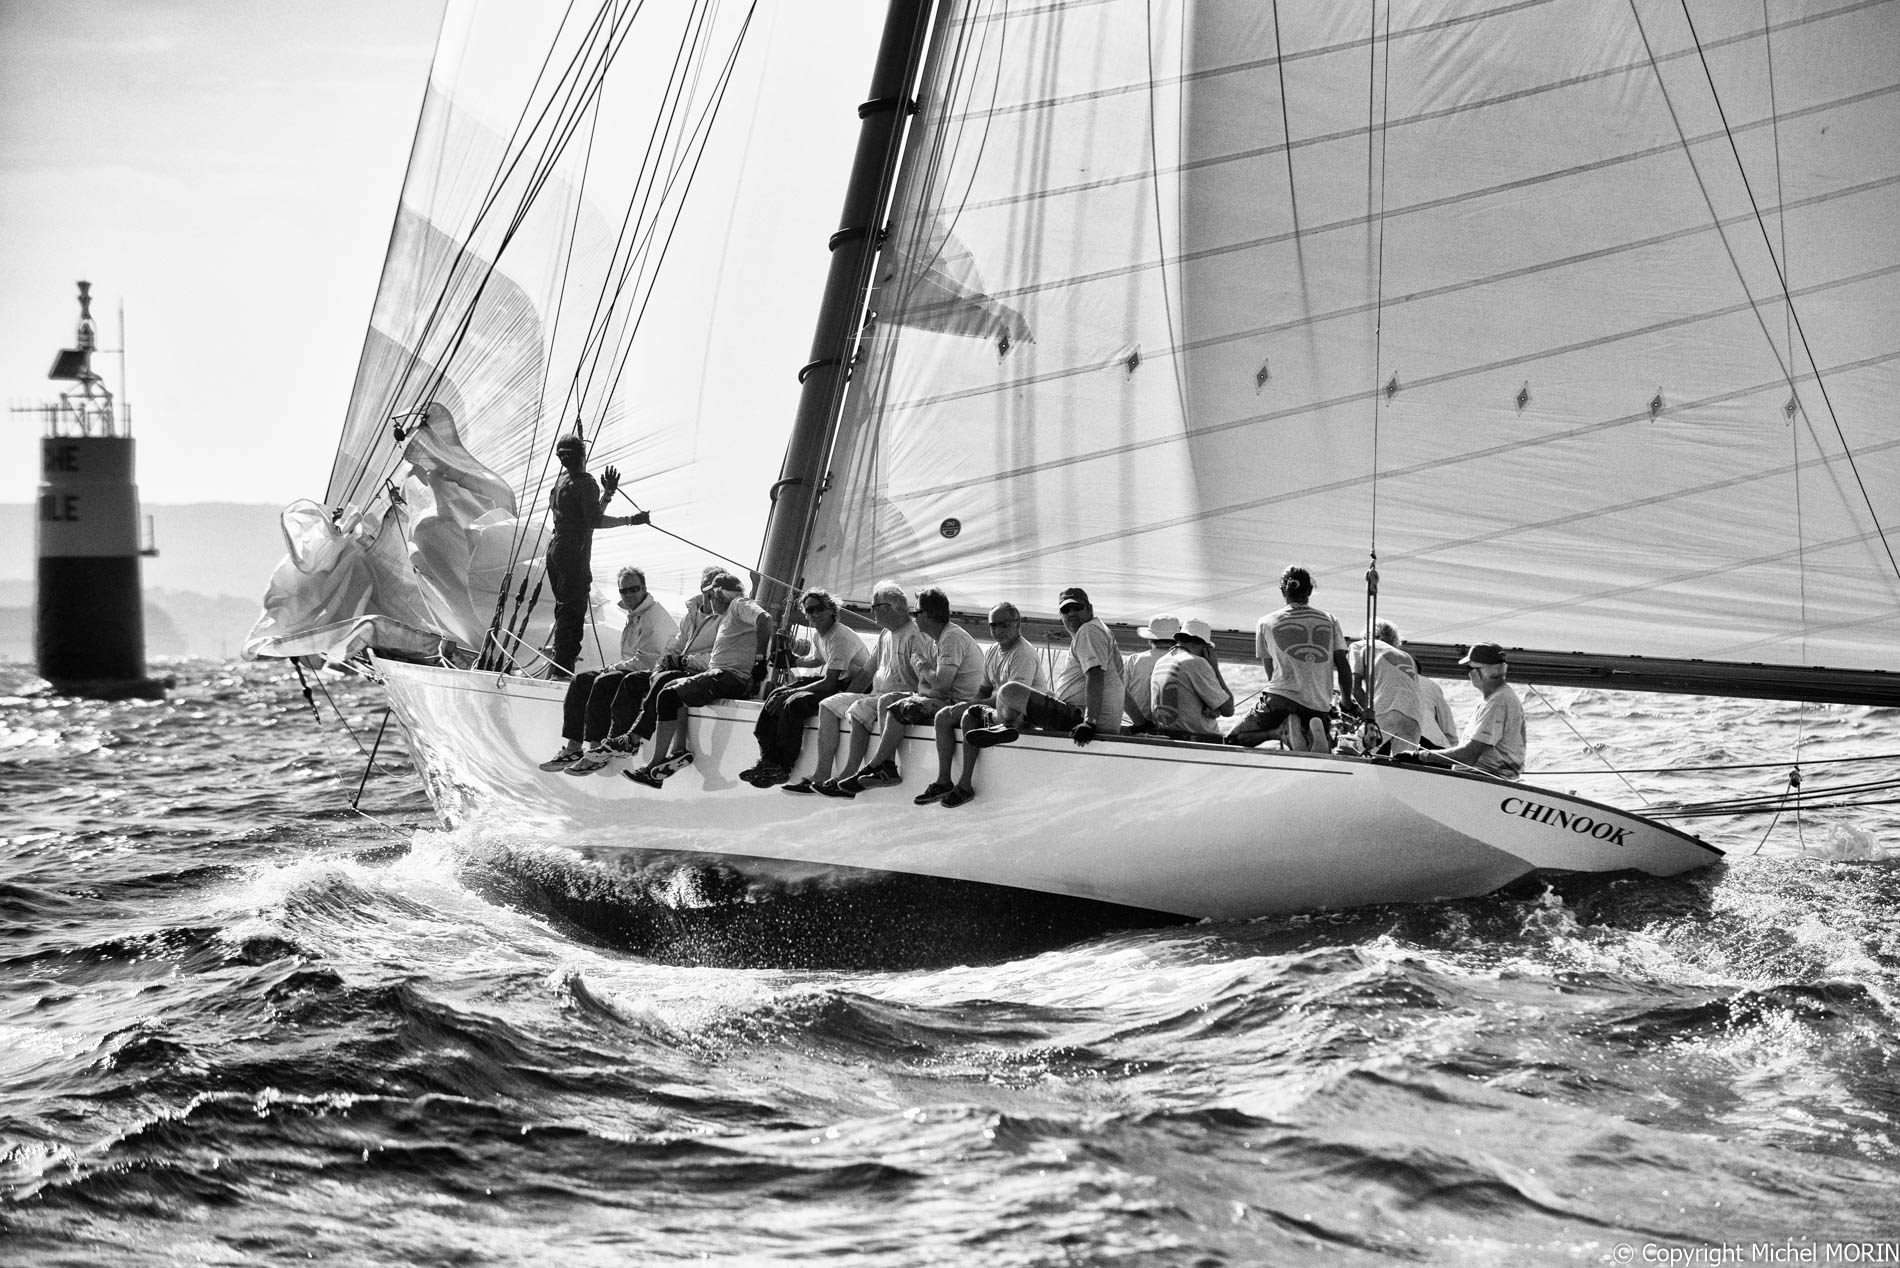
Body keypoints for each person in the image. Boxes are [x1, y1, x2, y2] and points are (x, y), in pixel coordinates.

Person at [782, 580, 930, 797]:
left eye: (874, 607)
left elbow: (923, 678)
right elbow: (867, 672)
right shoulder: (885, 634)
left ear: (889, 608)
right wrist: (845, 695)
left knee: (859, 707)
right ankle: (821, 774)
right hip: (877, 694)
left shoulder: (915, 634)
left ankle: (847, 776)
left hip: (900, 697)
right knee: (828, 704)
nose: (872, 613)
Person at [625, 573, 774, 787]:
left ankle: (653, 766)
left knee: (668, 695)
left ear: (720, 595)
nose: (708, 601)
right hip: (722, 676)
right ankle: (678, 750)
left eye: (711, 596)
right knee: (670, 687)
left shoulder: (738, 604)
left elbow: (765, 618)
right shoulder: (729, 614)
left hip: (728, 677)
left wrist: (760, 660)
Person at [838, 587, 984, 793]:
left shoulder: (951, 638)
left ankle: (873, 765)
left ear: (925, 615)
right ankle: (887, 768)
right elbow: (925, 686)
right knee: (886, 700)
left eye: (915, 614)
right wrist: (930, 685)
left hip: (957, 702)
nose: (913, 619)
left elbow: (940, 684)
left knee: (900, 710)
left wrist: (925, 670)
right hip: (941, 697)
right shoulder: (936, 640)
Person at [537, 565, 679, 773]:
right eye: (624, 590)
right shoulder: (637, 613)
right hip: (634, 668)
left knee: (603, 682)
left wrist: (610, 669)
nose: (629, 594)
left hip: (650, 673)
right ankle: (574, 747)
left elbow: (647, 661)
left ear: (644, 588)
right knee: (580, 680)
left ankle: (596, 749)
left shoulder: (652, 617)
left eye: (634, 589)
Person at [914, 602, 1049, 808]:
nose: (998, 630)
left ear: (1017, 624)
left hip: (1019, 714)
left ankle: (965, 784)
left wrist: (970, 707)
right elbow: (984, 691)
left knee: (970, 716)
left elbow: (1011, 697)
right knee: (943, 716)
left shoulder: (1023, 654)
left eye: (1004, 625)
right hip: (996, 710)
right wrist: (966, 704)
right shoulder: (993, 650)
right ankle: (943, 781)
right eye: (993, 626)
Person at [739, 589, 871, 788]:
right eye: (809, 610)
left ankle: (784, 766)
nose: (814, 614)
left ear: (831, 610)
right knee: (776, 694)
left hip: (850, 688)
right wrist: (792, 661)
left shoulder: (839, 636)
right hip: (836, 681)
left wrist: (791, 693)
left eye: (819, 609)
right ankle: (768, 758)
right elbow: (817, 659)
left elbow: (829, 682)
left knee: (794, 703)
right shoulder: (821, 634)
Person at [591, 564, 723, 758]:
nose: (708, 596)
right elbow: (675, 644)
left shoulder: (725, 619)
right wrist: (665, 662)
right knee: (631, 681)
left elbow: (717, 658)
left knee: (665, 684)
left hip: (700, 672)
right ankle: (608, 741)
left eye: (634, 589)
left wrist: (684, 661)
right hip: (678, 667)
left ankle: (639, 742)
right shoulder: (692, 614)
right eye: (705, 590)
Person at [1225, 565, 1362, 752]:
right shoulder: (1330, 620)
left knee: (1233, 739)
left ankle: (1279, 732)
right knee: (1319, 741)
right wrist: (1346, 702)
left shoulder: (1265, 622)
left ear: (1282, 591)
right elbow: (1343, 667)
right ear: (1310, 590)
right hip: (1317, 705)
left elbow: (1270, 674)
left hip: (1280, 698)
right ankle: (1316, 736)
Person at [544, 433, 646, 674]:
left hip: (555, 550)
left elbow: (584, 516)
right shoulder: (585, 482)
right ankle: (562, 668)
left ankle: (561, 660)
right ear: (583, 455)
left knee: (564, 608)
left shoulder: (562, 481)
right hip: (573, 552)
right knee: (573, 609)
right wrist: (631, 520)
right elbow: (594, 520)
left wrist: (607, 495)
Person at [974, 585, 1124, 748]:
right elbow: (1122, 686)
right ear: (1061, 615)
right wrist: (1141, 723)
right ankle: (1004, 727)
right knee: (1044, 694)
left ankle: (995, 721)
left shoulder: (1088, 631)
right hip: (1099, 721)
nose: (1071, 613)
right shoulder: (1101, 631)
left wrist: (1089, 722)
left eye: (1077, 607)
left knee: (1008, 692)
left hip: (1078, 720)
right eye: (1066, 609)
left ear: (1089, 609)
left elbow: (1095, 674)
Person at [1404, 641, 1526, 780]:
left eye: (1469, 668)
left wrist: (1419, 756)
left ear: (1484, 670)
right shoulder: (1498, 698)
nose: (1468, 674)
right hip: (1477, 781)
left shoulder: (1498, 701)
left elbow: (1468, 755)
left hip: (1485, 782)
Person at [1148, 617, 1234, 740]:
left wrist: (1208, 708)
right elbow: (1228, 709)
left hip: (1166, 735)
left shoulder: (1161, 662)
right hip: (1196, 739)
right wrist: (1214, 667)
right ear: (1205, 647)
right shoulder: (1196, 662)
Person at [1349, 619, 1425, 754]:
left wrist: (1363, 713)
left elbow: (1354, 687)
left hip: (1387, 706)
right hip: (1415, 715)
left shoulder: (1360, 645)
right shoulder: (1408, 657)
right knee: (1402, 766)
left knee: (1353, 752)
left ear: (1367, 636)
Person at [1120, 613, 1181, 735]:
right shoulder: (1186, 662)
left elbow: (1118, 694)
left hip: (1135, 730)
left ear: (1150, 639)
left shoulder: (1133, 661)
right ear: (1177, 640)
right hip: (1171, 733)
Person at [1417, 672, 1458, 750]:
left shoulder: (1389, 679)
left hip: (1395, 741)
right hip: (1432, 742)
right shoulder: (1430, 685)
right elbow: (1448, 729)